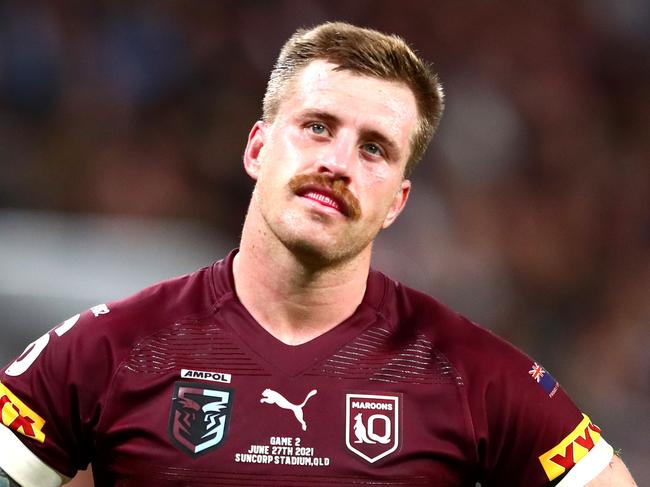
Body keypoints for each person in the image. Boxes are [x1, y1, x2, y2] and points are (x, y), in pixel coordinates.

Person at [0, 22, 637, 487]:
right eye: (318, 127)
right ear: (256, 148)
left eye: (375, 149)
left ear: (397, 202)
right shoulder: (109, 347)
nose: (336, 163)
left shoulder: (472, 373)